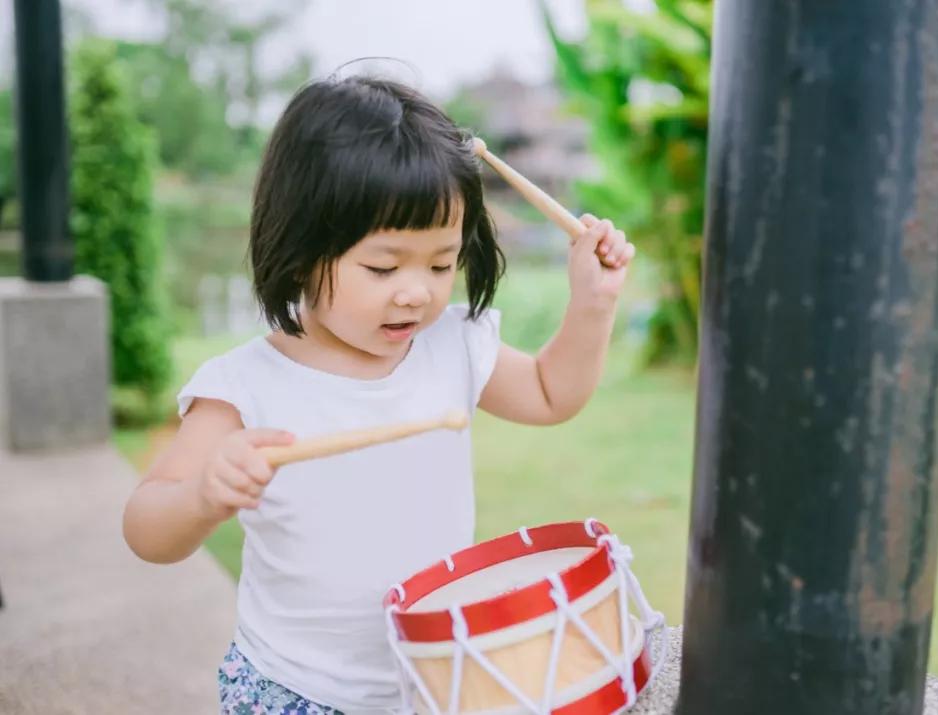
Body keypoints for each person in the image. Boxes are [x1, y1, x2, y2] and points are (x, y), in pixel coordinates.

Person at [122, 74, 635, 714]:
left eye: (441, 264)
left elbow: (550, 393)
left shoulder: (449, 345)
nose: (416, 291)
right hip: (294, 691)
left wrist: (593, 300)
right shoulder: (244, 390)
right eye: (383, 267)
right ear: (302, 246)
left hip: (435, 677)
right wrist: (204, 495)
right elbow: (147, 530)